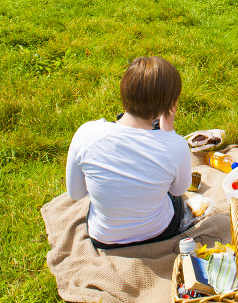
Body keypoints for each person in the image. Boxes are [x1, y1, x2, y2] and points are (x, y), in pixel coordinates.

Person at [66, 56, 191, 249]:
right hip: (159, 233)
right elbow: (178, 190)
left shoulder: (86, 134)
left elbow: (76, 194)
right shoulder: (176, 145)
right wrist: (169, 132)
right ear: (170, 105)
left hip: (104, 238)